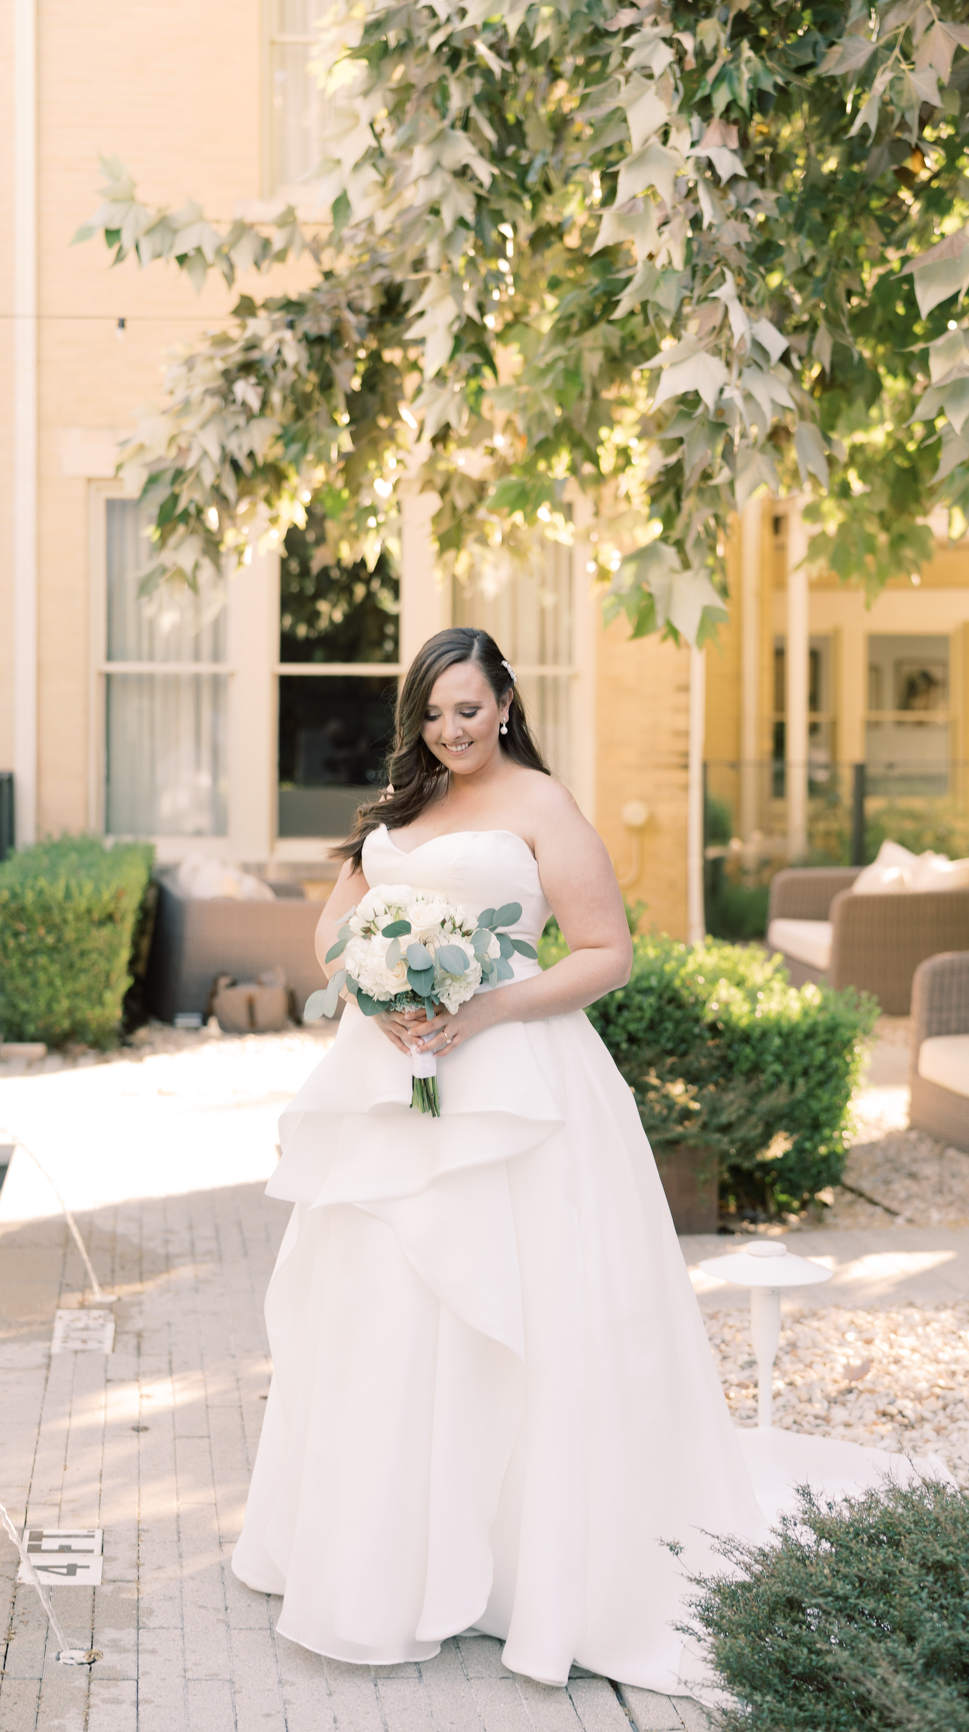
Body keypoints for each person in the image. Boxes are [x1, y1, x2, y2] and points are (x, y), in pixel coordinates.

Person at [231, 626, 764, 1690]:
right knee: (386, 1314)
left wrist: (481, 1009)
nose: (449, 730)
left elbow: (607, 952)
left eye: (467, 709)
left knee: (521, 1317)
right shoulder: (397, 809)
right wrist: (378, 991)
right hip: (397, 1076)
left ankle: (529, 1569)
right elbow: (337, 927)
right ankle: (389, 1556)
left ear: (506, 703)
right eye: (431, 715)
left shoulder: (542, 805)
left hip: (515, 1084)